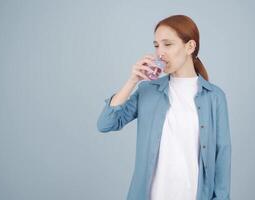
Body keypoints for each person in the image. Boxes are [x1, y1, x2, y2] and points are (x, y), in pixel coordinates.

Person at [97, 15, 231, 200]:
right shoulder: (148, 91)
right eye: (156, 45)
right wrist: (132, 81)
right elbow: (106, 123)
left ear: (189, 47)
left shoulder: (214, 97)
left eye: (167, 44)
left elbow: (222, 153)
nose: (160, 52)